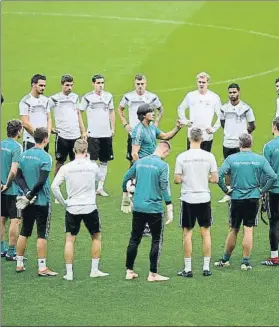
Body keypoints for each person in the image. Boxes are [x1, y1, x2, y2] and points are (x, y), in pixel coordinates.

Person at [214, 133, 277, 271]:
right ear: (251, 144)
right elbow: (272, 176)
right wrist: (262, 190)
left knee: (234, 229)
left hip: (236, 198)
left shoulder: (231, 159)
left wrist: (226, 190)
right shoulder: (259, 159)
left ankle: (225, 260)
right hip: (253, 198)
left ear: (239, 144)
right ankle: (245, 262)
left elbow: (218, 176)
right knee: (248, 229)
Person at [51, 139, 109, 280]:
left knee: (70, 240)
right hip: (90, 206)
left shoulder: (67, 168)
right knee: (96, 237)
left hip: (73, 207)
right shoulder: (92, 166)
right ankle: (94, 270)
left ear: (74, 150)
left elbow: (54, 186)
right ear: (86, 150)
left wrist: (64, 202)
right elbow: (100, 177)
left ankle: (69, 273)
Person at [121, 141, 173, 282]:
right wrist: (169, 206)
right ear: (165, 151)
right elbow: (164, 187)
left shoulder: (140, 162)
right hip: (154, 208)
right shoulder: (163, 166)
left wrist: (126, 196)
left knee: (134, 239)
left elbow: (125, 178)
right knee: (156, 240)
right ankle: (153, 274)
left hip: (138, 207)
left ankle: (129, 270)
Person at [131, 103, 182, 236]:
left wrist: (177, 128)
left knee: (153, 193)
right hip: (145, 167)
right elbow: (134, 153)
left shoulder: (152, 127)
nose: (153, 113)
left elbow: (165, 136)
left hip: (153, 166)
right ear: (143, 115)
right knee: (145, 195)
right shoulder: (138, 131)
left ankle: (148, 224)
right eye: (150, 112)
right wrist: (140, 170)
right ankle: (144, 226)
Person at [174, 128, 218, 278]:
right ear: (202, 139)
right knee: (205, 233)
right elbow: (215, 179)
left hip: (188, 198)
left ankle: (188, 268)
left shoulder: (182, 157)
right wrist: (202, 178)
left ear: (189, 138)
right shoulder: (209, 156)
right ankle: (206, 267)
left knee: (187, 233)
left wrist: (188, 178)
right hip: (204, 197)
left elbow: (177, 179)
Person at [15, 127, 57, 276]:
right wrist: (31, 194)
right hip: (42, 201)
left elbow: (18, 176)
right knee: (41, 234)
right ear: (45, 139)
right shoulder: (46, 157)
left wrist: (26, 193)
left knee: (24, 231)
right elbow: (41, 181)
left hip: (27, 202)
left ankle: (19, 263)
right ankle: (42, 267)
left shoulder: (24, 155)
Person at [218, 83, 256, 203]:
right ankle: (229, 192)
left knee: (242, 167)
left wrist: (244, 133)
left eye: (234, 92)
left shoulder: (246, 108)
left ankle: (242, 190)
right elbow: (222, 122)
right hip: (227, 143)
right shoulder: (224, 108)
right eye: (230, 92)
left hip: (240, 144)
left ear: (239, 92)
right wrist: (230, 132)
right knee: (228, 169)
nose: (232, 95)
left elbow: (252, 125)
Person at [79, 74, 115, 197]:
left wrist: (113, 128)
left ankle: (100, 188)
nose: (100, 85)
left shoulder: (108, 96)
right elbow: (79, 112)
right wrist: (83, 130)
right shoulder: (88, 97)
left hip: (106, 133)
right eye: (98, 83)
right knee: (92, 161)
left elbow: (111, 112)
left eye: (102, 83)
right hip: (92, 133)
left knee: (104, 161)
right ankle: (90, 186)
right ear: (93, 84)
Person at [118, 74, 164, 166]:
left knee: (150, 158)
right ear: (134, 84)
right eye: (138, 84)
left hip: (148, 133)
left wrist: (156, 123)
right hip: (133, 133)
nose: (140, 86)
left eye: (142, 84)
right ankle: (133, 180)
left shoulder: (152, 97)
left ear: (146, 84)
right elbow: (120, 109)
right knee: (132, 160)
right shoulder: (128, 96)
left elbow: (160, 109)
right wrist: (125, 124)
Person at [48, 74, 86, 176]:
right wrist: (49, 127)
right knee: (60, 163)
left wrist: (83, 131)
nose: (69, 88)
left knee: (77, 162)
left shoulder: (75, 97)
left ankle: (76, 185)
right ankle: (56, 185)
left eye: (71, 85)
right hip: (62, 136)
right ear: (62, 85)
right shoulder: (54, 99)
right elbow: (45, 113)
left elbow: (78, 113)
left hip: (75, 135)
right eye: (67, 85)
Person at [177, 72, 221, 152]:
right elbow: (181, 108)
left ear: (208, 83)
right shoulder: (190, 96)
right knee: (191, 160)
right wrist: (185, 121)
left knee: (205, 161)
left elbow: (221, 115)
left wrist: (214, 128)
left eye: (203, 82)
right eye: (199, 82)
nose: (201, 84)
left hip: (206, 135)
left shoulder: (214, 97)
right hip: (192, 134)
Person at [1, 120, 23, 260]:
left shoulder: (1, 144)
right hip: (13, 190)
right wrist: (8, 184)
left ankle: (1, 249)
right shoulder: (17, 147)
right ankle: (11, 252)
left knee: (1, 218)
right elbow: (14, 171)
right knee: (15, 220)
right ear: (19, 131)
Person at [260, 117, 279, 266]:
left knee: (274, 222)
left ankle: (274, 257)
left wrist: (262, 189)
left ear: (274, 127)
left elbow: (265, 171)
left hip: (274, 190)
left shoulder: (269, 147)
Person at [19, 74, 52, 152]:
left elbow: (49, 119)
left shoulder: (46, 100)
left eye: (44, 86)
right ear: (33, 85)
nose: (43, 88)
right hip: (30, 140)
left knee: (43, 163)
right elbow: (25, 122)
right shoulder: (25, 101)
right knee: (29, 164)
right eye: (40, 85)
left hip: (44, 141)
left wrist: (47, 136)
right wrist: (38, 137)